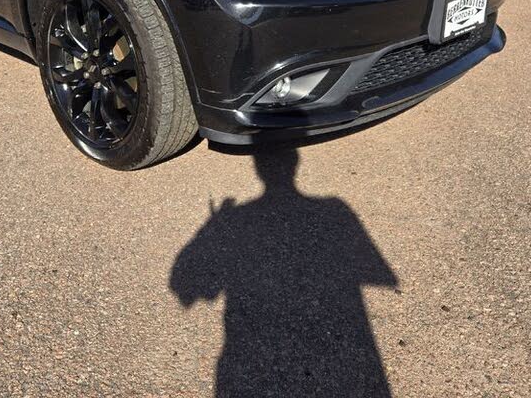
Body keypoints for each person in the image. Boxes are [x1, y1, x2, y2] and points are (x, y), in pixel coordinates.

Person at [170, 147, 398, 397]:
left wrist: (214, 225)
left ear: (257, 172)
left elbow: (187, 289)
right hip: (347, 354)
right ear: (296, 168)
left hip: (249, 355)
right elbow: (375, 275)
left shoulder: (237, 217)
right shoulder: (335, 208)